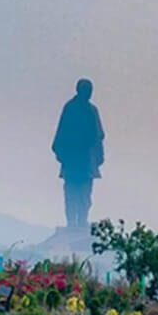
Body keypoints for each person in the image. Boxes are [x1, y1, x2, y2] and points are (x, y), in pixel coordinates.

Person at [52, 78, 105, 229]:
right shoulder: (70, 108)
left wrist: (97, 156)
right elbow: (62, 133)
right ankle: (71, 222)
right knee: (71, 194)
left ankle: (82, 220)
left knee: (85, 195)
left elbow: (99, 135)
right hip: (73, 160)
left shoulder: (92, 110)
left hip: (86, 161)